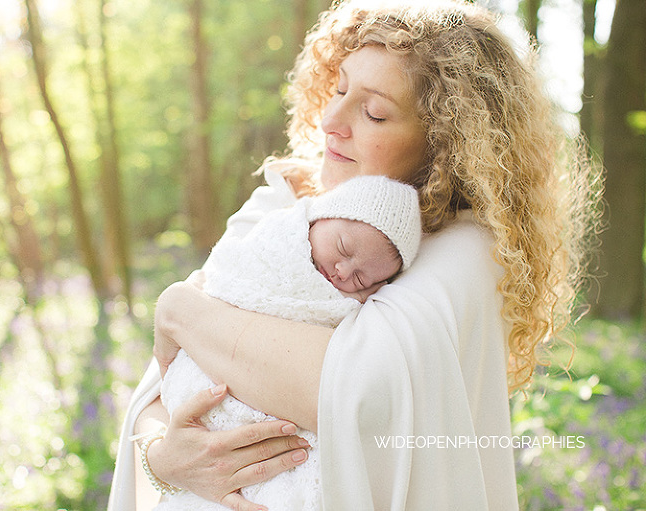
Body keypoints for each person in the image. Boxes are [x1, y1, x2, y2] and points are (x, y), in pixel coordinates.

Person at [108, 0, 601, 509]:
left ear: (445, 145)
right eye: (340, 89)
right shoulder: (283, 203)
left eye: (374, 112)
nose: (330, 120)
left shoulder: (466, 252)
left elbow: (360, 388)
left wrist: (180, 310)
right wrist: (162, 459)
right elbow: (160, 388)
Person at [151, 174, 421, 510]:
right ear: (317, 218)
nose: (341, 271)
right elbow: (148, 404)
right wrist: (159, 458)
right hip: (202, 403)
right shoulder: (272, 233)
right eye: (342, 249)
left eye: (362, 277)